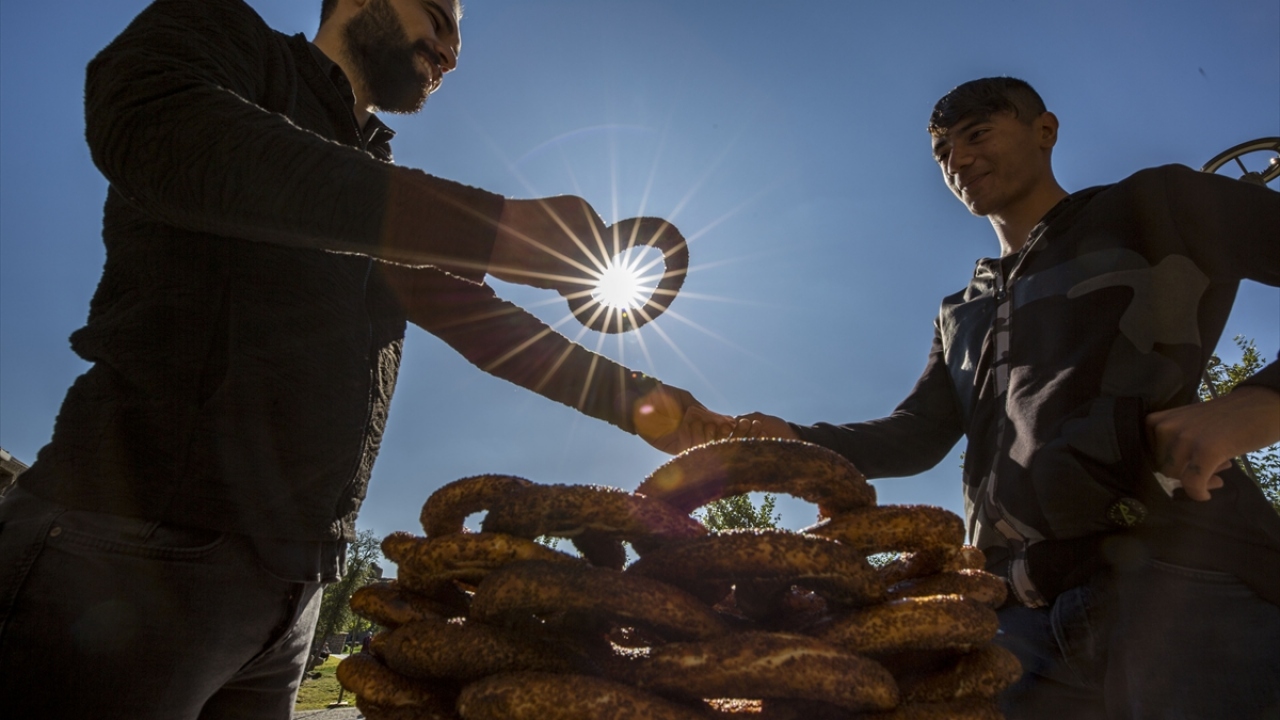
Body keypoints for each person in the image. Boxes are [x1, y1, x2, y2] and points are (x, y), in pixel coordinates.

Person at [0, 0, 705, 717]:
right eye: (437, 14)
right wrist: (493, 228)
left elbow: (481, 325)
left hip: (290, 586)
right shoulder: (219, 32)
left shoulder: (372, 169)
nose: (451, 51)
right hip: (126, 552)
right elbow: (167, 133)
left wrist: (662, 412)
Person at [688, 77, 1280, 718]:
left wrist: (1256, 405)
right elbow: (915, 434)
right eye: (942, 151)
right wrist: (790, 442)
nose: (958, 161)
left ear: (1045, 131)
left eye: (977, 135)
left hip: (1178, 583)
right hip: (1012, 619)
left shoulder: (1156, 203)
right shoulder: (960, 312)